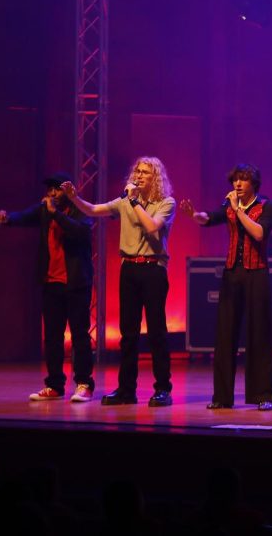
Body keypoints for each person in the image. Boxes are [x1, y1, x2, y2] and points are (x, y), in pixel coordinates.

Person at [63, 156, 176, 406]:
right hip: (129, 269)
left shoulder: (166, 203)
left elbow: (152, 228)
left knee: (156, 331)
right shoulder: (125, 202)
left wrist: (134, 201)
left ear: (155, 177)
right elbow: (95, 210)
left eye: (145, 172)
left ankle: (163, 389)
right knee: (128, 333)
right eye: (137, 170)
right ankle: (126, 389)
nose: (139, 175)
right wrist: (74, 198)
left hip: (153, 269)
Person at [0, 171, 96, 403]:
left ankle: (84, 384)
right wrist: (7, 217)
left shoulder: (81, 210)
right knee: (52, 338)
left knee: (79, 336)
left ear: (68, 191)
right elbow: (25, 215)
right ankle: (55, 385)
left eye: (56, 189)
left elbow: (82, 233)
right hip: (51, 283)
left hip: (76, 283)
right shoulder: (45, 210)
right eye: (49, 189)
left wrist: (56, 215)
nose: (51, 193)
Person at [180, 163, 272, 410]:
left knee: (259, 334)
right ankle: (222, 397)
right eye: (235, 180)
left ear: (253, 183)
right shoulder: (229, 206)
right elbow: (210, 218)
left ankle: (262, 395)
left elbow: (258, 234)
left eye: (243, 180)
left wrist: (238, 210)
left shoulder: (267, 207)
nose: (237, 184)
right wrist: (194, 215)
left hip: (257, 273)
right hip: (232, 272)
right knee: (225, 335)